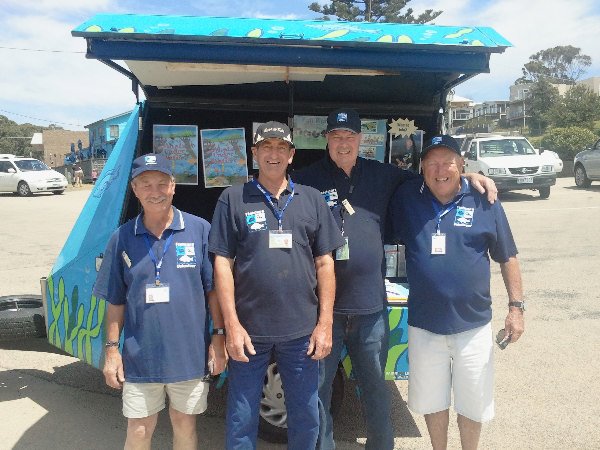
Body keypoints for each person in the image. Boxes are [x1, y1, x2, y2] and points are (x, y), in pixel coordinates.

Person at [293, 109, 498, 450]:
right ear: (326, 139)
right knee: (319, 391)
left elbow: (436, 178)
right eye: (337, 136)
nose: (344, 143)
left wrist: (471, 174)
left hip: (370, 308)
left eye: (350, 137)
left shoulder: (384, 175)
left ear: (361, 140)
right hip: (322, 312)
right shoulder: (306, 180)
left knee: (375, 390)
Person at [208, 121, 344, 450]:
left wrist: (324, 324)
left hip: (301, 333)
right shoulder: (233, 198)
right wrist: (230, 327)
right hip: (249, 332)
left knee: (306, 415)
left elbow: (326, 263)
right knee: (241, 418)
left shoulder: (311, 199)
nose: (273, 154)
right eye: (266, 147)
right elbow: (222, 264)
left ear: (291, 154)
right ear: (254, 153)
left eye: (280, 148)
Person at [388, 135, 525, 450]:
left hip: (473, 326)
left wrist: (516, 308)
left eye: (447, 162)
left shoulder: (483, 199)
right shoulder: (406, 196)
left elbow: (508, 255)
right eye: (432, 163)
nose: (440, 170)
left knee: (472, 403)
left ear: (462, 165)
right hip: (424, 324)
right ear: (421, 167)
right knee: (433, 401)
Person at [93, 153, 227, 450]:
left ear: (173, 186)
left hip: (188, 355)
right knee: (139, 430)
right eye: (146, 184)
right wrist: (112, 352)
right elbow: (115, 300)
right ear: (135, 189)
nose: (155, 192)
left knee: (184, 424)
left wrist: (218, 339)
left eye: (162, 183)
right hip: (141, 357)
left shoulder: (199, 230)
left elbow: (213, 291)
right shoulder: (122, 238)